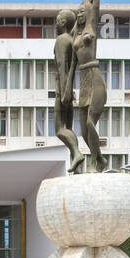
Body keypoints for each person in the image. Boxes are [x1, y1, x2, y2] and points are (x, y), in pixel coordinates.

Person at [73, 0, 108, 172]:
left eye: (82, 11)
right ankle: (100, 159)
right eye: (77, 11)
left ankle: (96, 163)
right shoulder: (76, 34)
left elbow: (94, 1)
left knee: (90, 123)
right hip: (83, 82)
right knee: (84, 130)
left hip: (95, 78)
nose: (79, 14)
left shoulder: (90, 28)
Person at [53, 9, 83, 173]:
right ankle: (76, 164)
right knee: (69, 129)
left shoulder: (61, 40)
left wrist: (64, 91)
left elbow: (61, 66)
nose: (55, 23)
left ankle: (77, 152)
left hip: (62, 89)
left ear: (63, 23)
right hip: (69, 90)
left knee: (59, 129)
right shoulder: (71, 40)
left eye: (57, 20)